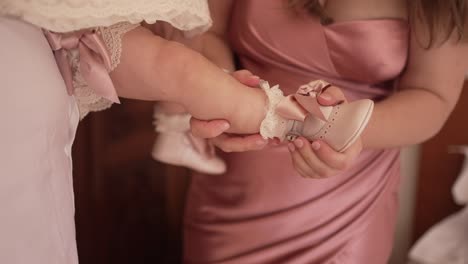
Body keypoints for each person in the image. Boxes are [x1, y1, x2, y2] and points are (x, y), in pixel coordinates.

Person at [184, 0, 468, 263]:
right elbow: (210, 32)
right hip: (234, 185)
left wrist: (344, 129)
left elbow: (433, 94)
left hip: (347, 201)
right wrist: (222, 96)